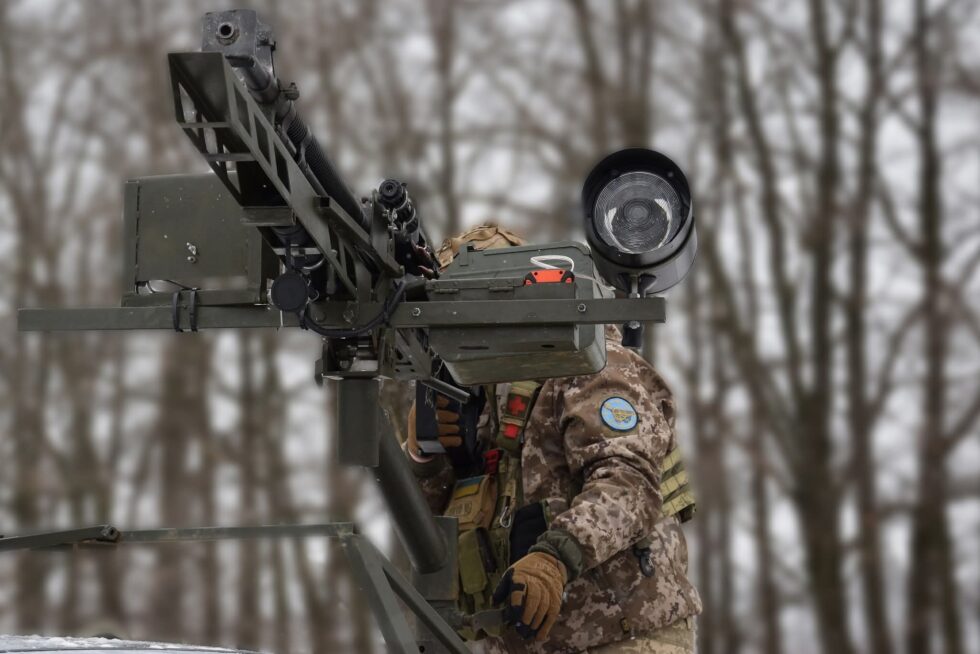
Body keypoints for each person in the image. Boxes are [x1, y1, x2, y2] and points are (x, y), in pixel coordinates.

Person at [405, 224, 701, 653]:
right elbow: (438, 537)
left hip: (622, 637)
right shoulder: (475, 397)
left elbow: (628, 484)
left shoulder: (591, 362)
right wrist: (425, 457)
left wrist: (555, 557)